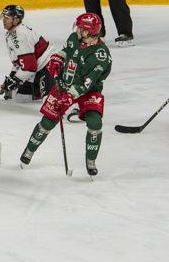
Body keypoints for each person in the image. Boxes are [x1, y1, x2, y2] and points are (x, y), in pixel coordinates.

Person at [20, 13, 112, 176]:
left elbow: (87, 83)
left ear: (90, 32)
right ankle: (29, 150)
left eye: (82, 29)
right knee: (47, 122)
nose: (78, 30)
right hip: (64, 84)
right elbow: (66, 50)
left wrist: (70, 96)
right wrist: (57, 58)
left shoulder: (101, 56)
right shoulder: (74, 38)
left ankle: (91, 161)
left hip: (88, 90)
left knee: (95, 122)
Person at [0, 4, 54, 101]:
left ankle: (57, 87)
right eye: (3, 17)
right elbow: (19, 62)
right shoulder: (10, 34)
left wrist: (15, 80)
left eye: (7, 18)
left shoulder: (21, 35)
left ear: (16, 20)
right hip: (36, 69)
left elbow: (30, 67)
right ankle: (38, 90)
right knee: (21, 98)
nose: (4, 20)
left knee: (49, 103)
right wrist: (11, 79)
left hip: (49, 66)